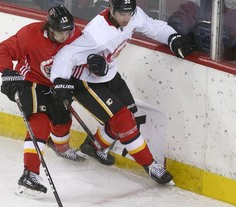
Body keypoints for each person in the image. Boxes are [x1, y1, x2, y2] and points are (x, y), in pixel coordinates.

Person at [50, 0, 194, 184]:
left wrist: (172, 38)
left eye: (128, 13)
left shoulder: (134, 15)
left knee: (129, 114)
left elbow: (152, 26)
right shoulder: (96, 33)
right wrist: (60, 81)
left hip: (108, 73)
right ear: (111, 9)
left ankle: (94, 146)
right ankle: (150, 166)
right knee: (123, 120)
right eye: (121, 14)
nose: (126, 18)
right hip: (84, 81)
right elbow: (66, 55)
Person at [0, 5, 85, 198]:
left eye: (67, 31)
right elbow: (2, 50)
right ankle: (30, 174)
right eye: (59, 32)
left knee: (63, 121)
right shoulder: (31, 34)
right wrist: (8, 72)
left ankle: (61, 147)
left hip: (59, 85)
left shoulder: (76, 35)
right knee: (39, 121)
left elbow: (85, 59)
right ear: (49, 28)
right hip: (32, 81)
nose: (64, 37)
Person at [167, 0, 236, 61]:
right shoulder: (190, 10)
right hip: (192, 62)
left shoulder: (231, 16)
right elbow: (172, 29)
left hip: (224, 65)